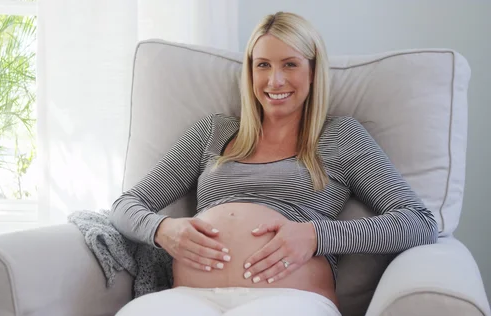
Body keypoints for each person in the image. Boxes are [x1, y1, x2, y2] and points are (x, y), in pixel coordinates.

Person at [109, 11, 438, 316]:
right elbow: (127, 205)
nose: (275, 80)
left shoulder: (341, 137)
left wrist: (316, 235)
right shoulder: (212, 132)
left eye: (290, 65)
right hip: (188, 299)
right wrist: (162, 229)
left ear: (312, 71)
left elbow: (418, 222)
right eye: (262, 65)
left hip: (288, 298)